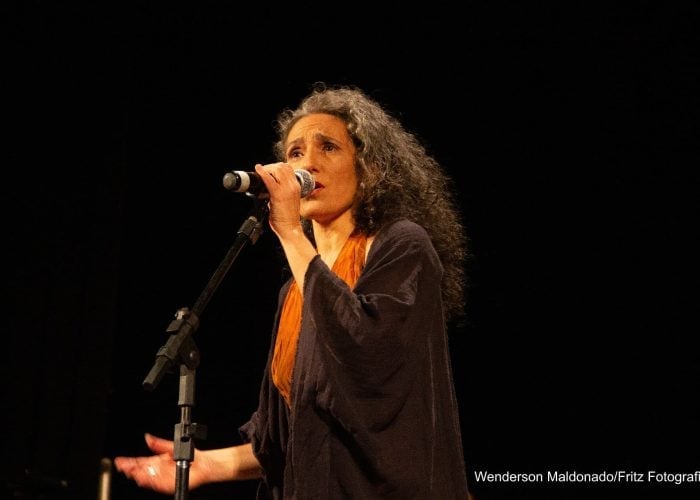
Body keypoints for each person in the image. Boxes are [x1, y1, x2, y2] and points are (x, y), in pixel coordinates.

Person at [114, 82, 471, 499]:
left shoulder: (403, 246)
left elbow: (365, 354)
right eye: (296, 153)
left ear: (371, 169)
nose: (308, 164)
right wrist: (209, 466)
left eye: (328, 148)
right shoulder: (296, 291)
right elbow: (290, 436)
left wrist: (288, 231)